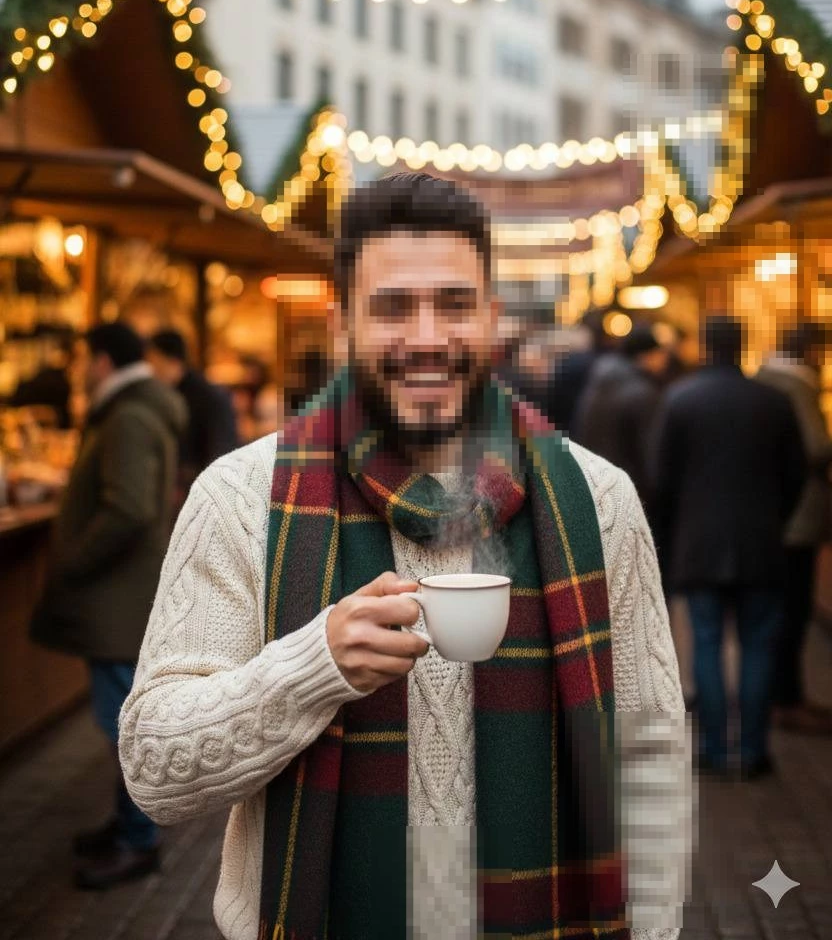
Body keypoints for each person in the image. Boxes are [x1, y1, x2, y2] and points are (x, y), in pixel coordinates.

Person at [120, 173, 689, 940]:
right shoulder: (241, 495)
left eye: (455, 304)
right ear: (341, 325)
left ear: (491, 319)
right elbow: (155, 775)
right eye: (392, 307)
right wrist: (310, 668)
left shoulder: (598, 501)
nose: (427, 336)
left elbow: (651, 751)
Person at [30, 322, 186, 888]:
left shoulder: (128, 416)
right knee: (122, 717)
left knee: (125, 723)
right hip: (123, 594)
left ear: (100, 362)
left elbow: (128, 510)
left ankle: (137, 839)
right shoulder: (138, 409)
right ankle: (126, 824)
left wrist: (72, 558)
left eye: (81, 360)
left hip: (117, 597)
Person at [653, 316, 807, 779]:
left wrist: (674, 530)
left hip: (698, 545)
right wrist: (773, 519)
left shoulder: (680, 400)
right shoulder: (774, 402)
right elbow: (795, 476)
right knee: (759, 647)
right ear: (741, 346)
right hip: (762, 544)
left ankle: (718, 751)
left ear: (704, 344)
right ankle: (756, 751)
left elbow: (661, 480)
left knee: (706, 644)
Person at [757, 322, 832, 733]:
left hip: (774, 513)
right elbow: (816, 447)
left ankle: (775, 695)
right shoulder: (798, 385)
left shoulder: (766, 378)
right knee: (793, 610)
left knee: (776, 610)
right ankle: (786, 698)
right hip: (798, 517)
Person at [573, 324, 670, 509]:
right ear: (645, 354)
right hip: (629, 491)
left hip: (598, 483)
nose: (664, 360)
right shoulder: (642, 393)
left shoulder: (599, 381)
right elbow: (651, 455)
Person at [146, 329, 239, 503]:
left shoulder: (207, 396)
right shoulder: (170, 395)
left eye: (154, 364)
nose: (151, 372)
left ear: (172, 361)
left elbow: (220, 450)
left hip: (201, 493)